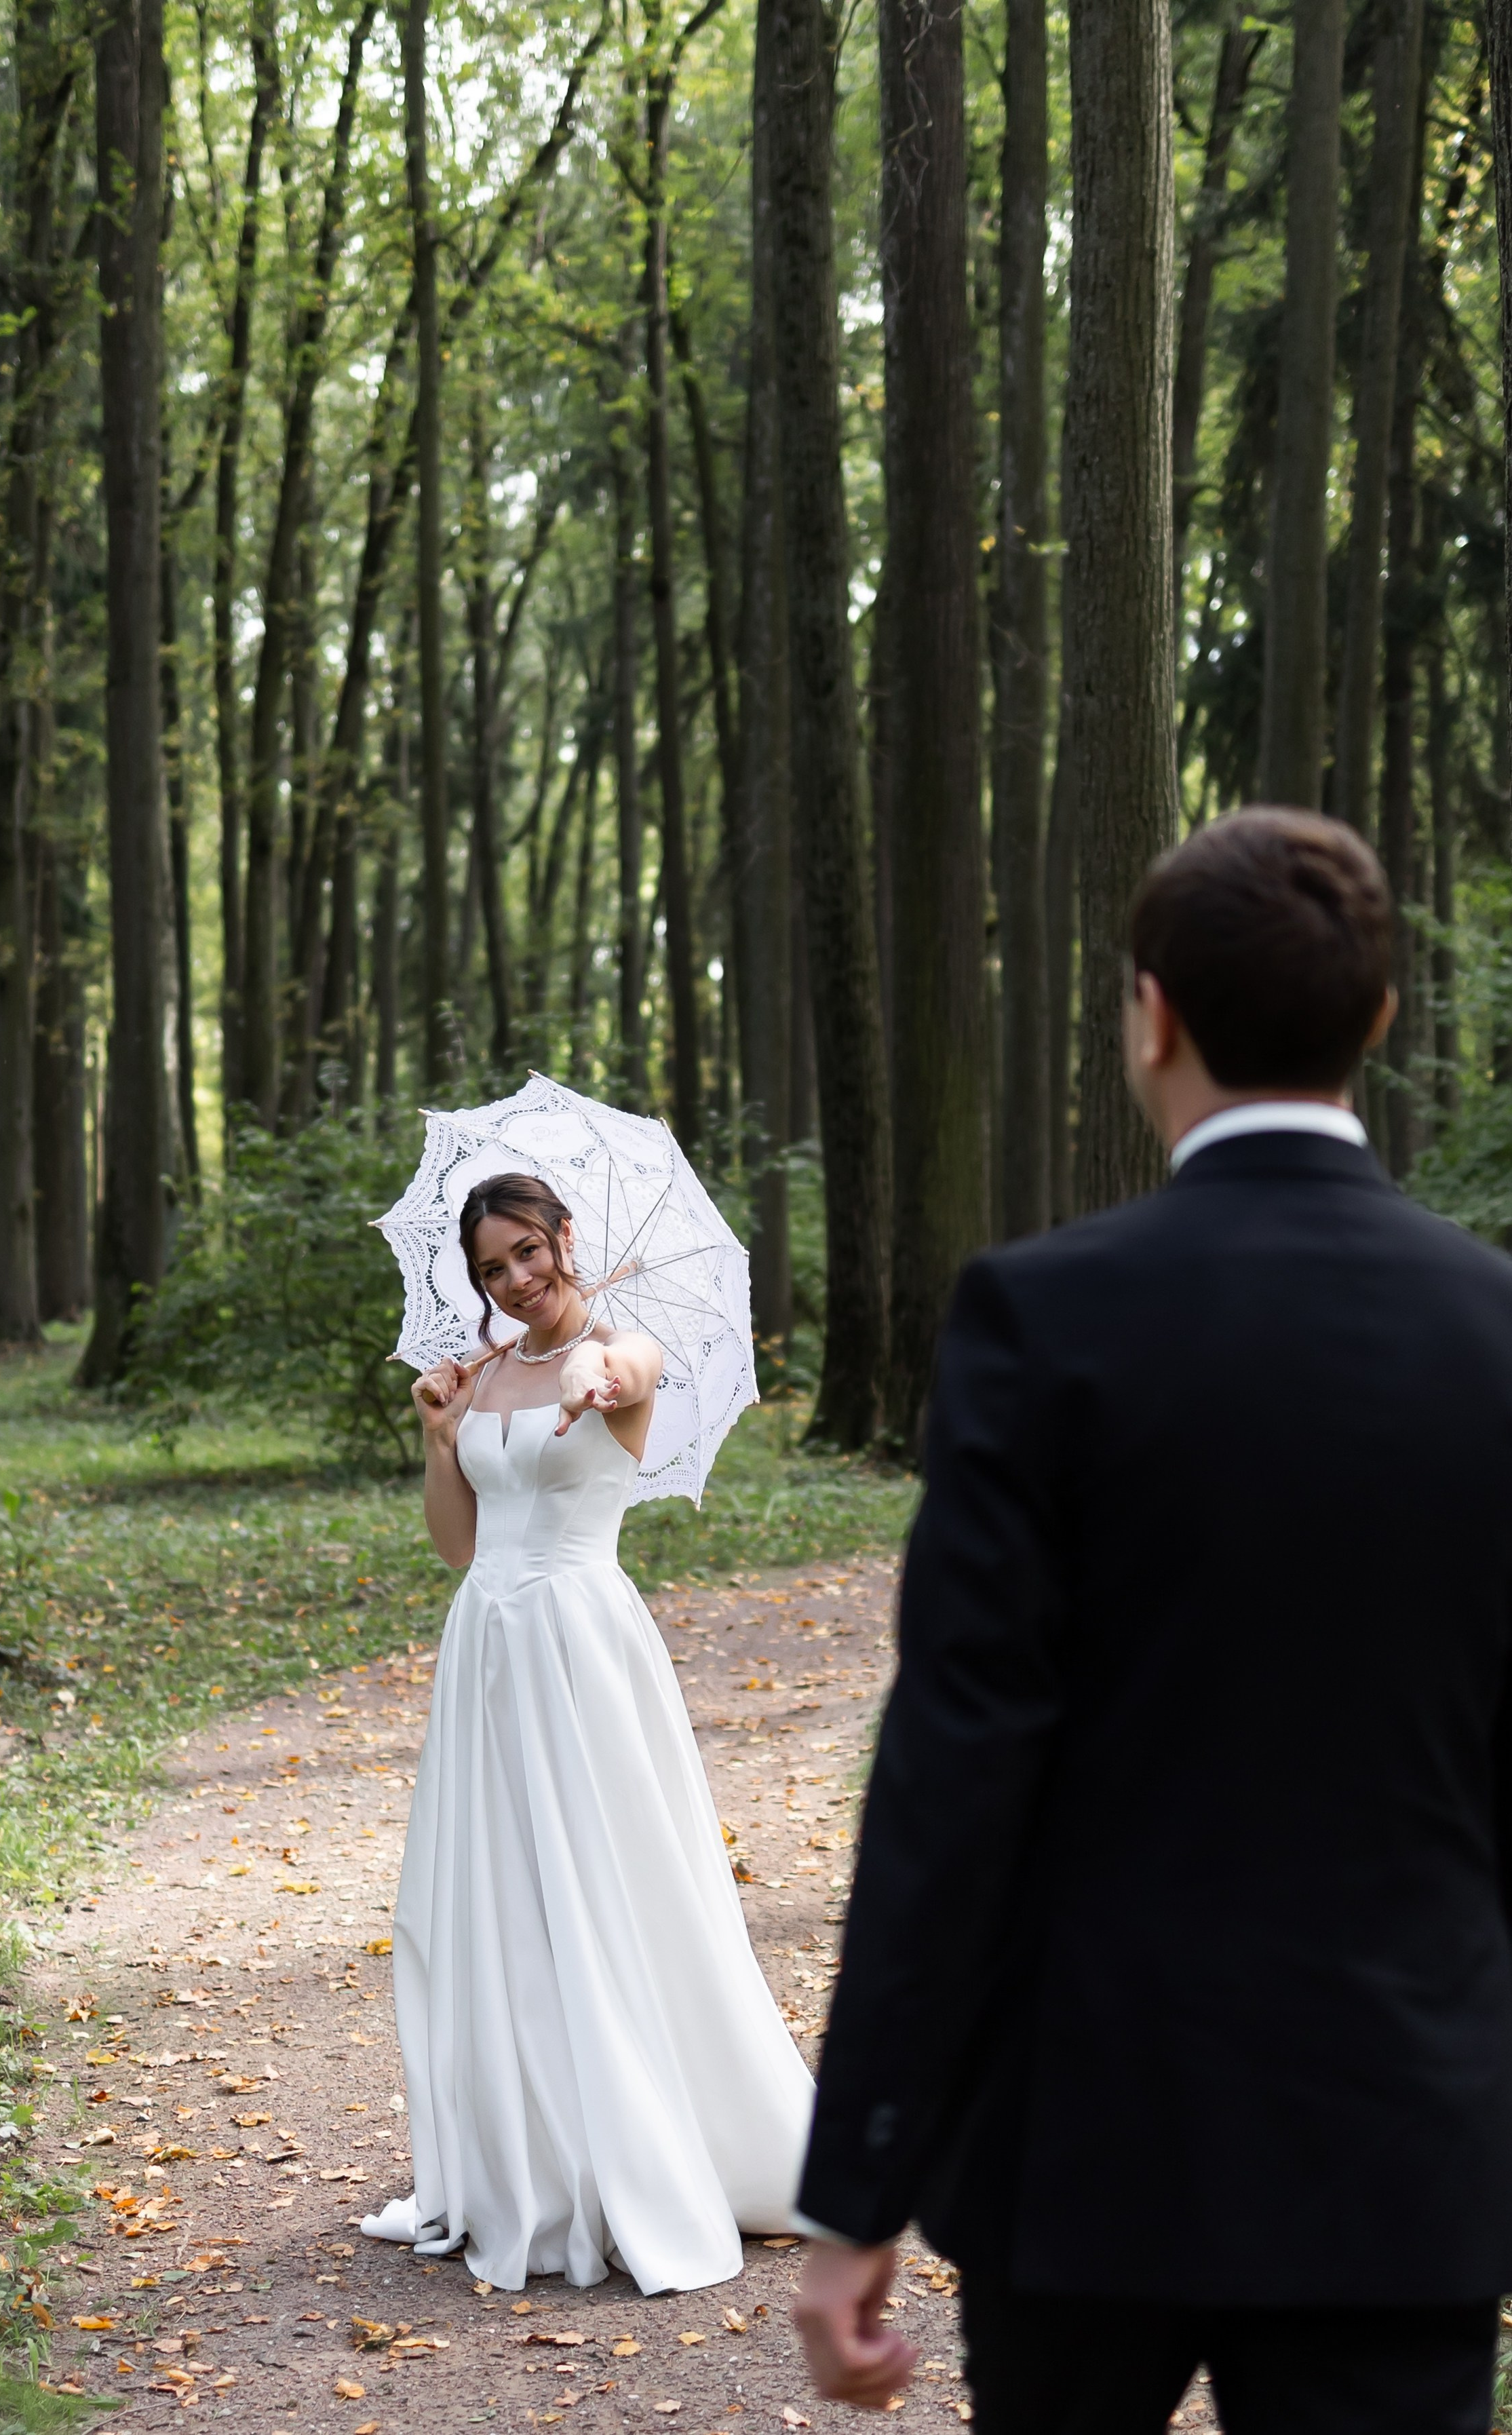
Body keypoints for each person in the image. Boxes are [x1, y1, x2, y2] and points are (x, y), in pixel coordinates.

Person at [792, 809, 1512, 2434]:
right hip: (1404, 2143)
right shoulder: (1497, 1333)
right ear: (1380, 1018)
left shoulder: (1042, 1319)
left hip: (1090, 2142)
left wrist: (859, 2191)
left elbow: (955, 1776)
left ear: (1152, 1013)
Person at [361, 1170, 813, 2294]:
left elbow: (629, 1372)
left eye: (528, 1250)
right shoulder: (478, 1374)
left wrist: (595, 1375)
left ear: (566, 1236)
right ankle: (535, 2156)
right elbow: (458, 1547)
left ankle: (654, 2142)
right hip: (486, 1646)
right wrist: (440, 1437)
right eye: (491, 1268)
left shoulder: (622, 1350)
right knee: (502, 1895)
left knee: (609, 1881)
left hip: (580, 1638)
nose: (516, 1279)